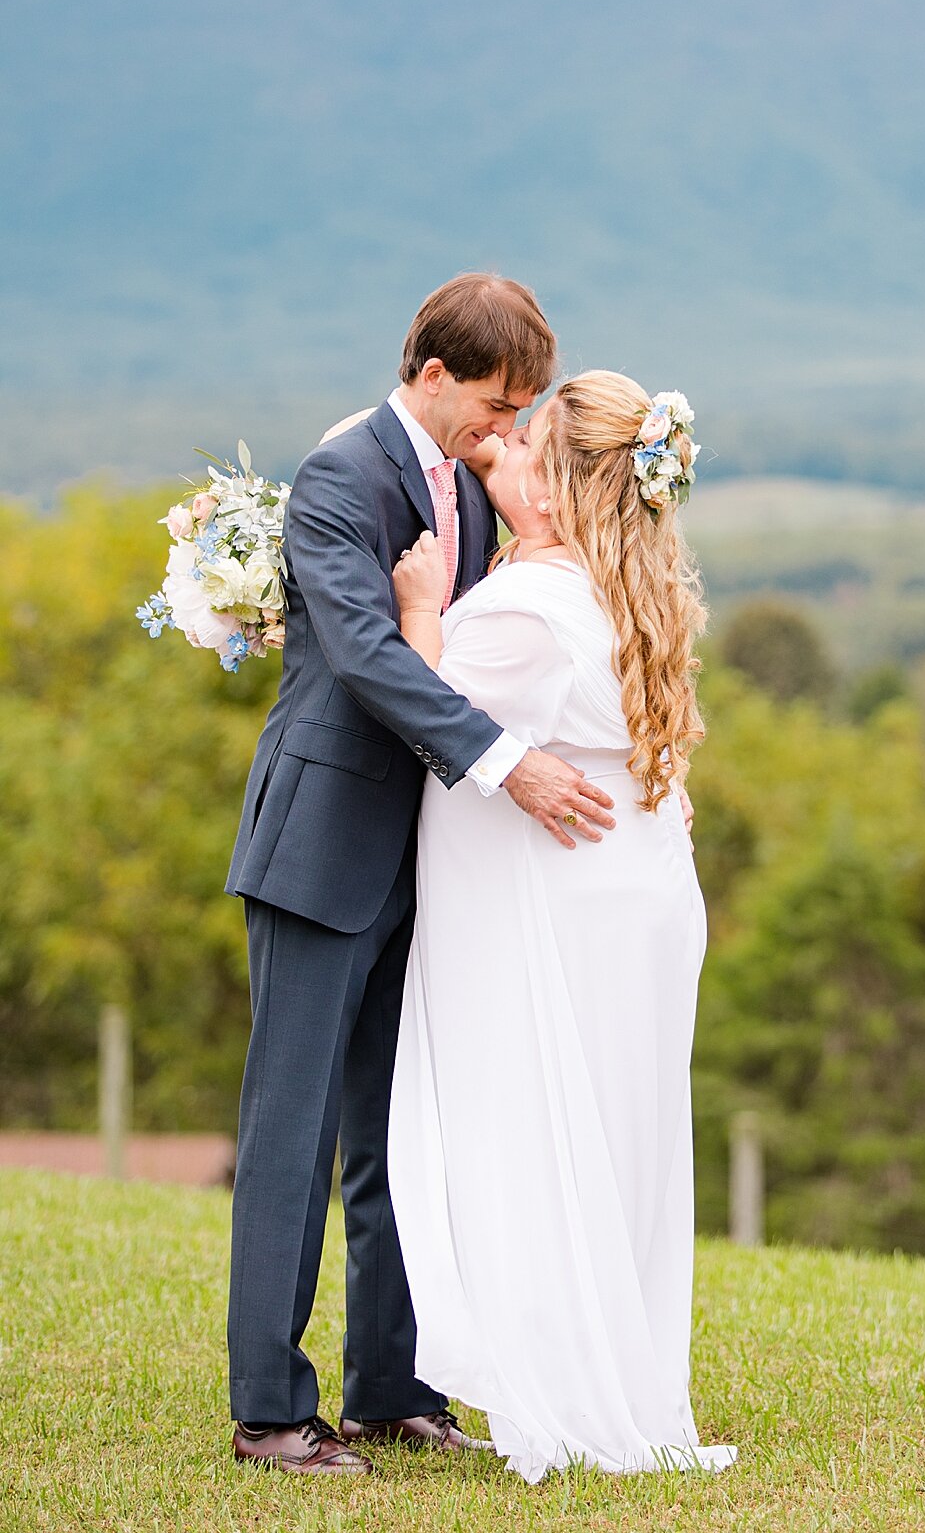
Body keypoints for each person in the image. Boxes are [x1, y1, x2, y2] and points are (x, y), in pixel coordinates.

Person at [224, 274, 617, 1477]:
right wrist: (514, 766)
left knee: (402, 1130)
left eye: (524, 409)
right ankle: (272, 1411)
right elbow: (367, 655)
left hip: (430, 862)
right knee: (292, 1133)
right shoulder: (342, 475)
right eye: (494, 402)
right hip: (323, 843)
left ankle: (394, 1383)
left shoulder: (471, 479)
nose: (506, 427)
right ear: (430, 372)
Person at [387, 371, 736, 1481]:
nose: (510, 453)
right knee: (612, 1141)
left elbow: (423, 703)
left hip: (566, 908)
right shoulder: (619, 581)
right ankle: (613, 1370)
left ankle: (573, 1384)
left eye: (529, 440)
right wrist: (493, 464)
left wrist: (419, 611)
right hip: (638, 898)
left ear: (572, 478)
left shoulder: (528, 611)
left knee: (541, 1131)